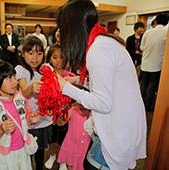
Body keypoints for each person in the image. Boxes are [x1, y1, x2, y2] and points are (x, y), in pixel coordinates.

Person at [56, 0, 147, 170]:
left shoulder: (98, 51)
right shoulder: (102, 41)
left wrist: (66, 88)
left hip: (118, 128)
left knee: (90, 165)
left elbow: (103, 103)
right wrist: (78, 81)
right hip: (122, 122)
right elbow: (108, 83)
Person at [0, 61, 41, 170]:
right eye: (9, 78)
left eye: (14, 76)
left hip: (22, 150)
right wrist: (1, 129)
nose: (15, 81)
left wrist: (31, 119)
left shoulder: (20, 98)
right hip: (4, 154)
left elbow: (27, 114)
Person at [15, 36, 53, 170]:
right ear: (23, 53)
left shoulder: (46, 69)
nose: (35, 57)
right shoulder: (21, 69)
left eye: (39, 53)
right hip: (28, 119)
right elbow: (24, 92)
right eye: (30, 53)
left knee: (40, 151)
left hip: (43, 119)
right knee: (28, 152)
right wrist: (31, 88)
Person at [44, 43, 76, 170]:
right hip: (52, 113)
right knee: (52, 137)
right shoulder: (47, 76)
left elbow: (76, 97)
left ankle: (63, 158)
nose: (59, 60)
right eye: (55, 57)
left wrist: (66, 103)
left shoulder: (71, 77)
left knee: (65, 137)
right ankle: (52, 155)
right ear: (50, 59)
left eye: (62, 57)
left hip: (66, 113)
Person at [140, 13, 169, 112]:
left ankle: (140, 104)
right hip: (157, 64)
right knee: (152, 86)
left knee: (143, 85)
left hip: (145, 63)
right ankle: (147, 106)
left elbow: (142, 48)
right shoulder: (166, 32)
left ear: (155, 21)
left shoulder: (148, 32)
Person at [57, 103, 91, 170]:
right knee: (71, 165)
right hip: (72, 145)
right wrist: (62, 113)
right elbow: (60, 123)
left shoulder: (95, 114)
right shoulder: (72, 111)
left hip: (87, 147)